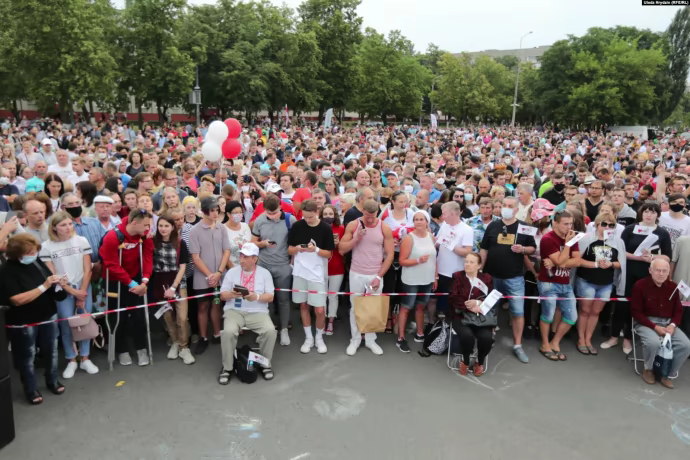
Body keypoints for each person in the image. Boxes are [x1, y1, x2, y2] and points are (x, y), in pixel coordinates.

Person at [0, 233, 67, 405]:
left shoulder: (36, 262)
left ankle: (52, 380)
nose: (33, 255)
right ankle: (30, 389)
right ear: (17, 254)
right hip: (23, 320)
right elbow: (16, 299)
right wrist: (44, 286)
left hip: (47, 314)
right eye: (29, 252)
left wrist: (58, 284)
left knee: (51, 350)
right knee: (27, 355)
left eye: (35, 251)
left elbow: (49, 282)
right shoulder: (6, 271)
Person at [602, 202, 672, 354]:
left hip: (647, 274)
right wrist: (638, 257)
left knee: (638, 307)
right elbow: (619, 251)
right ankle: (613, 336)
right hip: (627, 272)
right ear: (641, 213)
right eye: (646, 211)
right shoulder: (630, 229)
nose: (648, 215)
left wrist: (652, 257)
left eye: (652, 212)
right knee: (621, 305)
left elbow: (667, 256)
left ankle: (628, 338)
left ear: (658, 215)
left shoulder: (662, 233)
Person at [40, 211, 99, 379]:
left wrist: (82, 292)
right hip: (63, 290)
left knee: (84, 321)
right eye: (63, 225)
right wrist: (74, 292)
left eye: (70, 224)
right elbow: (53, 274)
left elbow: (88, 269)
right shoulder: (46, 246)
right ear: (54, 228)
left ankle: (85, 358)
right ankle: (71, 359)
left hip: (83, 286)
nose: (68, 227)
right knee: (66, 324)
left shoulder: (82, 241)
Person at [479, 196, 536, 363]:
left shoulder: (525, 227)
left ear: (516, 210)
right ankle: (488, 338)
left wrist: (523, 249)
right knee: (490, 309)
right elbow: (484, 249)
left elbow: (533, 248)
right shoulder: (493, 225)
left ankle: (517, 345)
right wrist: (480, 270)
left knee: (517, 312)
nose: (506, 208)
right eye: (504, 205)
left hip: (515, 277)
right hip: (492, 276)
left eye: (510, 206)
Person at [338, 199, 394, 356]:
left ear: (377, 213)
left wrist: (379, 277)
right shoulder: (353, 225)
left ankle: (370, 340)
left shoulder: (384, 227)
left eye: (373, 216)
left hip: (375, 273)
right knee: (355, 307)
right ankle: (355, 339)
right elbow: (341, 249)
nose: (370, 220)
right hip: (356, 273)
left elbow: (390, 255)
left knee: (373, 308)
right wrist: (356, 238)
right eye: (367, 216)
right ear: (362, 211)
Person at [99, 208, 154, 367]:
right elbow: (111, 264)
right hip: (115, 280)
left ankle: (141, 348)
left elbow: (148, 257)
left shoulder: (145, 235)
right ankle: (121, 349)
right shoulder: (113, 237)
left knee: (139, 314)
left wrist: (144, 281)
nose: (148, 228)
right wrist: (130, 283)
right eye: (145, 225)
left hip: (136, 277)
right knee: (118, 316)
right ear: (134, 223)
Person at [218, 243, 277, 384]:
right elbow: (222, 295)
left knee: (270, 331)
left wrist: (256, 297)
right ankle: (227, 367)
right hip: (234, 311)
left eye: (246, 257)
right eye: (241, 256)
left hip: (258, 312)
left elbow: (270, 297)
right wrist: (231, 294)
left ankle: (265, 364)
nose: (241, 259)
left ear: (255, 259)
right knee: (228, 332)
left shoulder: (265, 273)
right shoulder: (232, 272)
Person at [632, 259, 690, 388]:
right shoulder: (640, 285)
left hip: (668, 324)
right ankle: (648, 369)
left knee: (686, 345)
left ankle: (667, 373)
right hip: (646, 323)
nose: (661, 274)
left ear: (669, 272)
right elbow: (636, 312)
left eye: (665, 271)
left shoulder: (673, 287)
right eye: (658, 270)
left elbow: (678, 311)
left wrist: (673, 325)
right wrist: (654, 327)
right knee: (653, 343)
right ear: (650, 270)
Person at [287, 199, 335, 354]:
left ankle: (319, 338)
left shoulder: (325, 228)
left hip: (317, 274)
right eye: (305, 217)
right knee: (303, 305)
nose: (307, 220)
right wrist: (297, 249)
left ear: (317, 212)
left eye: (310, 217)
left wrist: (315, 250)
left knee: (320, 309)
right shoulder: (297, 226)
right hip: (300, 272)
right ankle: (309, 338)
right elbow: (289, 250)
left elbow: (329, 254)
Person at [575, 213, 626, 355]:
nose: (607, 227)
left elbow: (621, 263)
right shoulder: (586, 238)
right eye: (604, 224)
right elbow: (577, 260)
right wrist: (596, 264)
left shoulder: (618, 241)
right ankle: (581, 339)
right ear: (597, 225)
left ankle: (588, 339)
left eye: (611, 225)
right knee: (585, 311)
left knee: (596, 312)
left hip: (606, 283)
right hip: (586, 280)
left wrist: (610, 264)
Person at [251, 194, 296, 346]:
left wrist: (292, 262)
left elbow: (295, 244)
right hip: (263, 265)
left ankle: (284, 330)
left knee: (283, 300)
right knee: (265, 301)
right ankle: (267, 331)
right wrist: (263, 244)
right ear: (264, 210)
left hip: (283, 266)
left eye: (275, 213)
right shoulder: (259, 220)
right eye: (269, 214)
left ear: (281, 207)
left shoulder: (290, 220)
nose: (272, 216)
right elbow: (253, 243)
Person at [189, 196, 231, 354]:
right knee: (203, 306)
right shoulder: (195, 231)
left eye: (216, 210)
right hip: (202, 278)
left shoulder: (222, 228)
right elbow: (195, 257)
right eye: (212, 210)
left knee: (216, 303)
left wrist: (219, 272)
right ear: (204, 212)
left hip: (219, 276)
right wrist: (210, 275)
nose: (215, 213)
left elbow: (226, 251)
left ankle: (217, 333)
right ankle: (203, 337)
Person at [538, 210, 581, 361]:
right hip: (548, 283)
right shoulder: (548, 239)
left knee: (572, 316)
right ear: (555, 223)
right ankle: (545, 345)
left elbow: (577, 261)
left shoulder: (572, 238)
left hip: (565, 283)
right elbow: (560, 261)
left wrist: (559, 262)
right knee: (548, 315)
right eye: (565, 224)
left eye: (571, 224)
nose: (569, 227)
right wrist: (567, 246)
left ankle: (555, 342)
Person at [152, 214, 195, 365]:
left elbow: (183, 267)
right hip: (160, 283)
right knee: (168, 316)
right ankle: (175, 342)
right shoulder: (152, 242)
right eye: (160, 225)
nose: (163, 229)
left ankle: (184, 347)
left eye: (166, 226)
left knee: (182, 317)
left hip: (178, 283)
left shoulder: (181, 243)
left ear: (172, 227)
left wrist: (173, 287)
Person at [448, 252, 494, 376]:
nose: (467, 264)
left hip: (481, 316)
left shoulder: (486, 278)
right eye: (466, 261)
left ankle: (480, 361)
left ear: (479, 266)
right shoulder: (457, 276)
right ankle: (466, 360)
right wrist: (470, 308)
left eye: (471, 262)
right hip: (461, 316)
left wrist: (478, 303)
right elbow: (453, 297)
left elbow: (492, 298)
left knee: (486, 337)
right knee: (467, 336)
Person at [398, 210, 437, 352]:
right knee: (406, 307)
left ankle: (420, 333)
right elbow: (402, 261)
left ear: (427, 222)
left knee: (421, 306)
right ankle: (401, 338)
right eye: (416, 219)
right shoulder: (409, 238)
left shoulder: (431, 237)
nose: (419, 222)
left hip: (427, 279)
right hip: (411, 279)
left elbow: (434, 259)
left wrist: (435, 277)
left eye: (422, 219)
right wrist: (418, 260)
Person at [434, 201, 474, 320]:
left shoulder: (467, 229)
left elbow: (467, 252)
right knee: (436, 303)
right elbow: (438, 243)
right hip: (439, 271)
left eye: (444, 213)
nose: (442, 216)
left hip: (454, 273)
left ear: (452, 213)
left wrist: (450, 245)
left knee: (450, 305)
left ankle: (451, 326)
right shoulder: (444, 225)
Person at [320, 204, 345, 335]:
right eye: (325, 214)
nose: (328, 216)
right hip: (321, 266)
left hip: (336, 265)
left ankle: (331, 321)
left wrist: (338, 244)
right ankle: (322, 320)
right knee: (322, 295)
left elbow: (344, 249)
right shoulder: (318, 228)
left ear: (335, 215)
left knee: (333, 295)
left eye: (330, 214)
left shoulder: (341, 228)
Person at [224, 200, 252, 268]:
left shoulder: (245, 226)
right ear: (228, 214)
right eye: (236, 213)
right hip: (232, 267)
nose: (239, 215)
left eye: (240, 212)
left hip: (247, 267)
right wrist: (232, 269)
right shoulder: (223, 229)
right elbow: (222, 253)